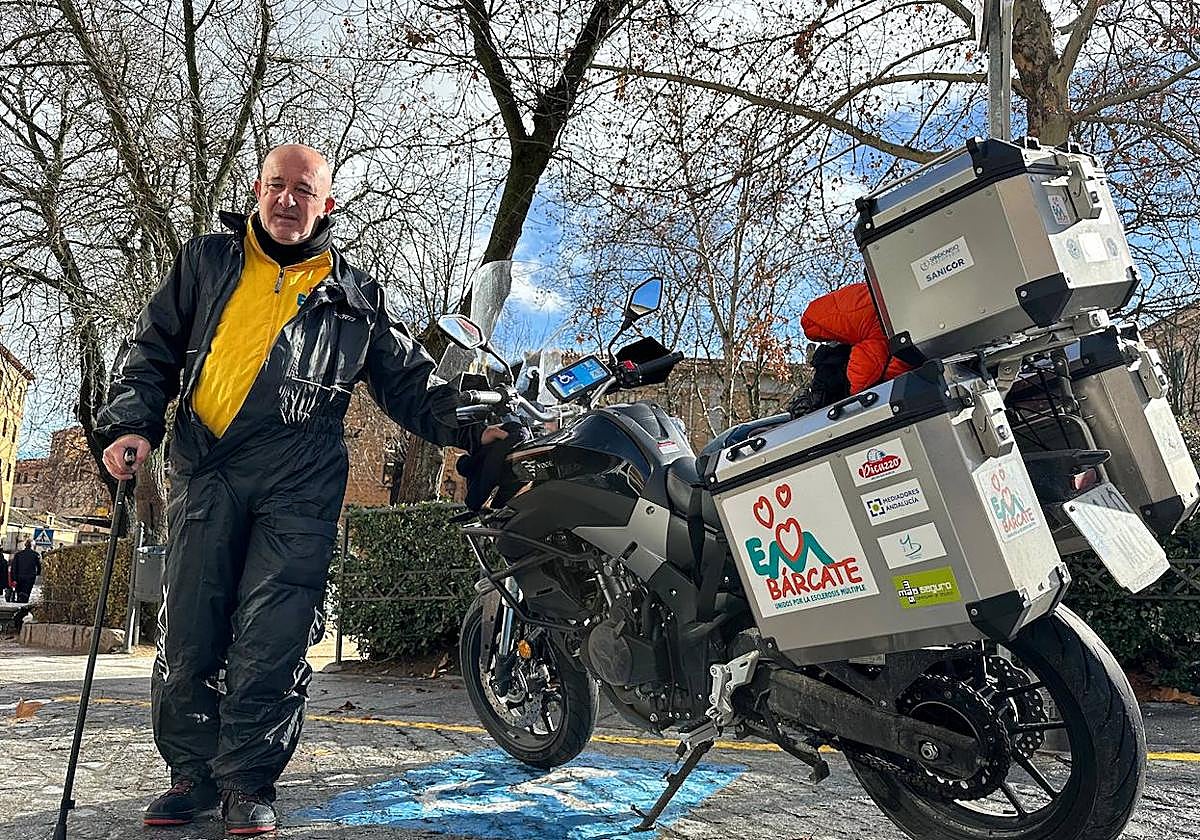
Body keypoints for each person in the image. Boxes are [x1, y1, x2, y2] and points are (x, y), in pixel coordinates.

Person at [95, 144, 505, 835]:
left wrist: (476, 426)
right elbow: (153, 350)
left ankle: (248, 780)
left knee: (275, 634)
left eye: (303, 191)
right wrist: (130, 423)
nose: (288, 201)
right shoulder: (206, 262)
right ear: (257, 192)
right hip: (209, 468)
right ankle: (191, 776)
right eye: (276, 186)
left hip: (301, 479)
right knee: (191, 628)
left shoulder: (354, 296)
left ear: (327, 205)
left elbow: (410, 383)